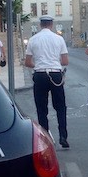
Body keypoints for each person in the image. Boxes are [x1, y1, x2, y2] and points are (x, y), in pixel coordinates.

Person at [24, 16, 70, 148]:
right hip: (56, 74)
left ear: (40, 25)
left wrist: (39, 64)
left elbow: (27, 62)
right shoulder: (59, 39)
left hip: (40, 74)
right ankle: (63, 136)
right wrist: (54, 62)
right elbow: (65, 61)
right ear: (51, 24)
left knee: (41, 108)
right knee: (61, 107)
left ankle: (46, 139)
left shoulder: (33, 39)